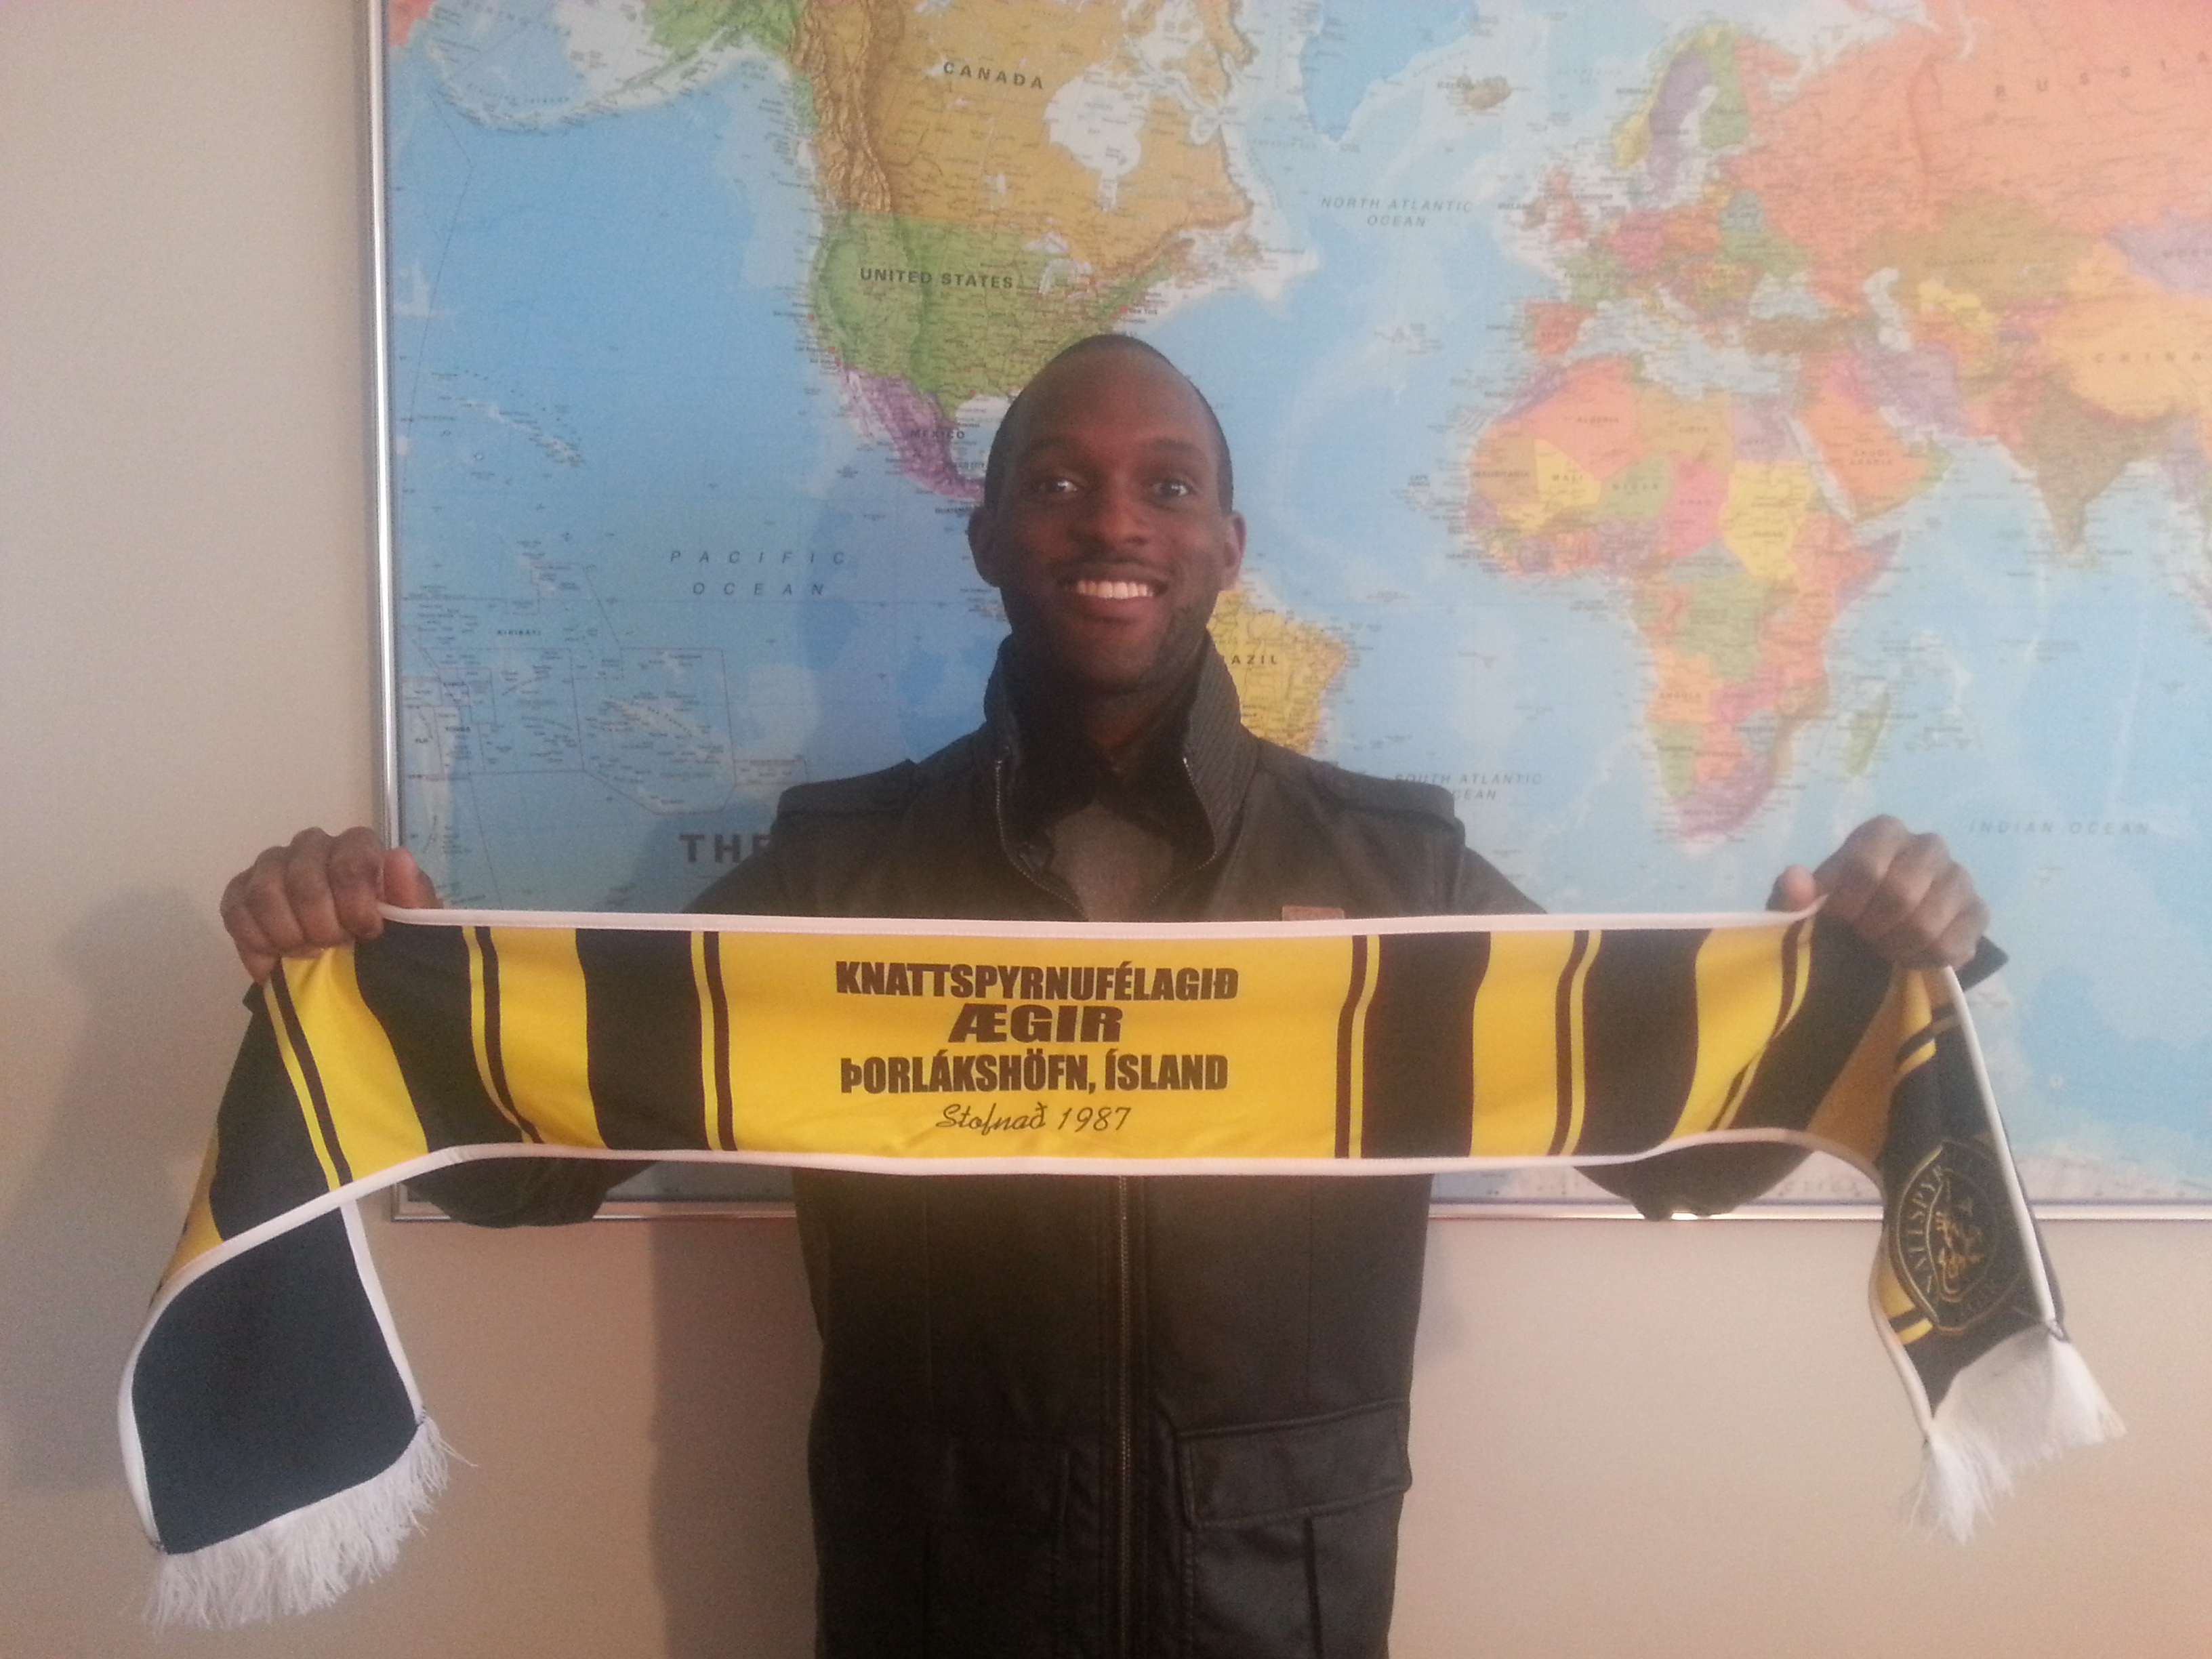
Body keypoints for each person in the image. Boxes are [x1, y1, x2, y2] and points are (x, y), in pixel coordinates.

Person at [221, 335, 1992, 1658]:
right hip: (937, 1593)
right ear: (991, 538)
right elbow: (519, 1176)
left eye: (1166, 483)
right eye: (1059, 482)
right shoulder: (838, 874)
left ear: (1226, 543)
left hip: (1283, 1597)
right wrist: (345, 973)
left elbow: (1681, 1163)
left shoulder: (1396, 870)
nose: (1114, 518)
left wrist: (1863, 964)